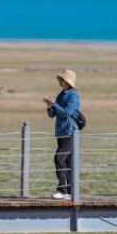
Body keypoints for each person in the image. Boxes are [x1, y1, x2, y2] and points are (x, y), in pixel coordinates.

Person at [44, 69, 79, 200]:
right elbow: (52, 115)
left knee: (59, 158)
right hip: (61, 132)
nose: (59, 81)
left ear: (67, 82)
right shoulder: (61, 94)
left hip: (70, 132)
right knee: (66, 161)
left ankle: (62, 190)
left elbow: (66, 113)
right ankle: (69, 191)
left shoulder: (73, 96)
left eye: (61, 79)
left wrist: (54, 104)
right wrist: (49, 106)